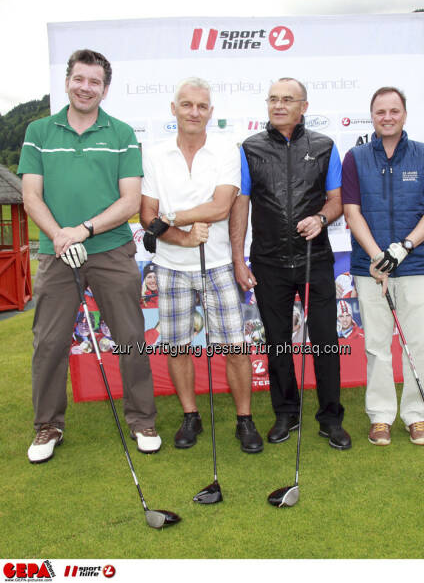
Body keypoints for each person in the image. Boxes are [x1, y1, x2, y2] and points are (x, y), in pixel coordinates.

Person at [19, 49, 160, 463]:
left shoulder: (120, 133)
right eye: (79, 79)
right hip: (56, 251)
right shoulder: (40, 130)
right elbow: (31, 195)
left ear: (105, 88)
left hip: (111, 248)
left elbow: (130, 198)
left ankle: (142, 420)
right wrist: (61, 235)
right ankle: (48, 425)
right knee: (49, 341)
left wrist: (84, 229)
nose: (86, 87)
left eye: (94, 82)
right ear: (67, 82)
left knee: (131, 336)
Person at [140, 77, 263, 454]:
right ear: (173, 108)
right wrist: (182, 236)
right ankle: (190, 415)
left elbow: (221, 206)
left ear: (211, 112)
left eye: (202, 106)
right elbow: (147, 215)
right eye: (187, 104)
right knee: (177, 346)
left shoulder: (227, 149)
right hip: (171, 265)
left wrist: (171, 217)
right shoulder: (155, 152)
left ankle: (245, 419)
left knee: (235, 346)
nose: (195, 112)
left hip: (219, 264)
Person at [230, 77, 351, 450]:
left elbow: (337, 200)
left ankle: (330, 418)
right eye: (273, 99)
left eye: (287, 99)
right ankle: (286, 413)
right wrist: (239, 258)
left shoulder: (325, 146)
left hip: (314, 260)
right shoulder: (249, 149)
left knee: (325, 341)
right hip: (268, 262)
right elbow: (240, 207)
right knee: (278, 342)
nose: (279, 105)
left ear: (304, 106)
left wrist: (322, 218)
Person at [342, 86, 424, 446]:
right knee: (376, 345)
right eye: (380, 111)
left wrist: (403, 248)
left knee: (416, 344)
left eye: (394, 111)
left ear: (404, 114)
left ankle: (416, 416)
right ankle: (381, 417)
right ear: (372, 116)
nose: (387, 117)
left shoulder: (423, 154)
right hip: (369, 268)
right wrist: (376, 255)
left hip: (417, 264)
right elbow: (351, 211)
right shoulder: (355, 157)